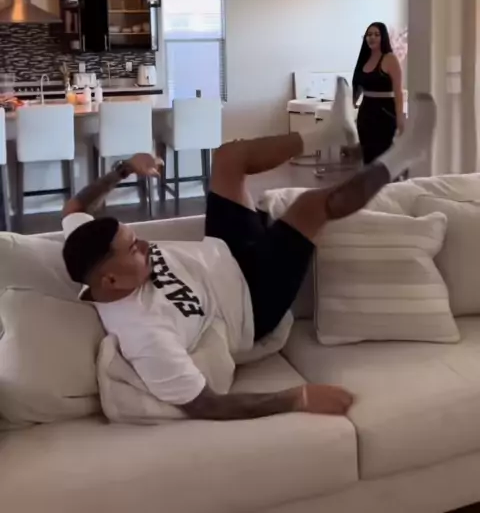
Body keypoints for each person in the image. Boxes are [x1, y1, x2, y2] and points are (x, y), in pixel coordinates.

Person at [61, 79, 435, 422]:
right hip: (252, 303)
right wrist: (298, 397)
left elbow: (75, 208)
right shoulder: (144, 335)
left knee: (228, 157)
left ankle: (329, 132)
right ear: (110, 280)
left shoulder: (87, 250)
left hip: (222, 250)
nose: (144, 244)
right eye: (133, 249)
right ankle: (404, 156)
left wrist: (125, 169)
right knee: (309, 206)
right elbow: (207, 404)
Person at [352, 22, 404, 165]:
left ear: (383, 37)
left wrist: (400, 118)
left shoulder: (390, 59)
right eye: (369, 35)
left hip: (384, 114)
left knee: (383, 156)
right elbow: (359, 84)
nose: (372, 38)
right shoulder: (364, 59)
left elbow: (398, 92)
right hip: (365, 113)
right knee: (368, 157)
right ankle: (369, 179)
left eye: (376, 34)